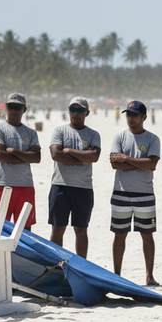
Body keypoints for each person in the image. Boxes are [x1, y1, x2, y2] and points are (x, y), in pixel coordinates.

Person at [109, 101, 160, 286]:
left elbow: (152, 164)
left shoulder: (152, 139)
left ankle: (149, 276)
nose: (131, 118)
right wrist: (140, 162)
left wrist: (126, 159)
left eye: (134, 115)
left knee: (147, 234)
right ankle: (116, 274)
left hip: (145, 193)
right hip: (121, 192)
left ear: (144, 117)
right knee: (119, 234)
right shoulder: (120, 136)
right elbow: (115, 163)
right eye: (128, 114)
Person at [48, 96, 101, 258]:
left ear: (87, 113)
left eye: (80, 110)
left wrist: (69, 151)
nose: (75, 114)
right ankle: (56, 263)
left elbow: (94, 157)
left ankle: (81, 265)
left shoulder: (93, 134)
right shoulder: (59, 131)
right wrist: (82, 158)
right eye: (72, 109)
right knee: (58, 228)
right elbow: (56, 154)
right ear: (68, 111)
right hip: (60, 186)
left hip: (83, 188)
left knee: (81, 229)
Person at [0, 93, 41, 230]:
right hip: (3, 184)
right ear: (5, 108)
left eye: (17, 107)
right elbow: (1, 155)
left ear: (24, 109)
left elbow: (37, 158)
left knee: (25, 230)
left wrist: (15, 152)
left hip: (26, 185)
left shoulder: (31, 133)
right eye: (11, 106)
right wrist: (26, 157)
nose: (13, 110)